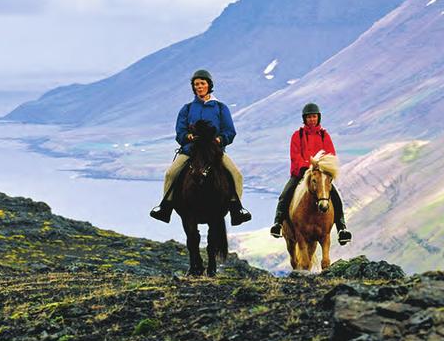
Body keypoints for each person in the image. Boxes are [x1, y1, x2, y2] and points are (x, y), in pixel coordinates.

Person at [149, 69, 252, 225]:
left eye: (202, 83)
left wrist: (219, 140)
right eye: (196, 84)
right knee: (170, 174)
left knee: (237, 175)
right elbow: (180, 131)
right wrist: (187, 137)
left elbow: (230, 131)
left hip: (213, 151)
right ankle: (165, 207)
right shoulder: (187, 108)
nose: (199, 86)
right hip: (191, 150)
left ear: (208, 85)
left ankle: (236, 208)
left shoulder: (220, 108)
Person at [269, 102, 351, 244]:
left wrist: (320, 167)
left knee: (336, 198)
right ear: (304, 119)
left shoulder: (325, 136)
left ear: (318, 118)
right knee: (285, 195)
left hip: (320, 175)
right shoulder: (297, 136)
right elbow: (295, 156)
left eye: (314, 117)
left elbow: (330, 155)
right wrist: (307, 166)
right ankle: (278, 224)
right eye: (309, 117)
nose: (312, 120)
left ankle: (342, 229)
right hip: (301, 173)